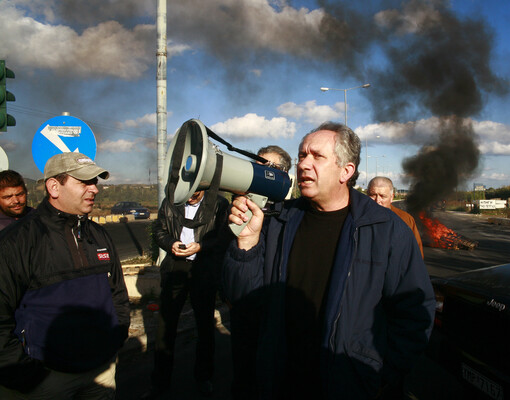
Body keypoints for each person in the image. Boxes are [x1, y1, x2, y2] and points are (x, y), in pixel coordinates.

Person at [223, 122, 435, 399]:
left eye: (317, 156)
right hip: (282, 380)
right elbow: (243, 302)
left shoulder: (386, 230)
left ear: (345, 171)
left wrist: (382, 375)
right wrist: (246, 245)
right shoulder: (276, 221)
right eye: (301, 155)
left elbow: (415, 312)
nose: (303, 164)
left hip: (348, 383)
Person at [0, 152, 130, 399]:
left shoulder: (100, 236)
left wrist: (115, 339)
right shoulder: (16, 242)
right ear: (54, 187)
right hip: (45, 379)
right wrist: (25, 375)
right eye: (84, 182)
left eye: (95, 182)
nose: (94, 189)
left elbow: (118, 295)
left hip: (101, 371)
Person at [149, 186, 231, 398]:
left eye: (198, 191)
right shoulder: (171, 201)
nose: (193, 195)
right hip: (176, 266)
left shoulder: (219, 204)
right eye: (190, 191)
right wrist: (171, 243)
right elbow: (159, 229)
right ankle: (160, 382)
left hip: (203, 268)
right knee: (166, 325)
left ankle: (204, 377)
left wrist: (201, 246)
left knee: (204, 324)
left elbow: (224, 237)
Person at [229, 145, 292, 400]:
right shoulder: (237, 212)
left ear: (283, 175)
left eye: (269, 168)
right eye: (258, 166)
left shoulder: (290, 217)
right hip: (244, 319)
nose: (259, 172)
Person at [367, 176, 424, 257]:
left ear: (391, 197)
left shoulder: (406, 220)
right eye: (373, 195)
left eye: (382, 196)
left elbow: (416, 254)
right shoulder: (357, 218)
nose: (377, 201)